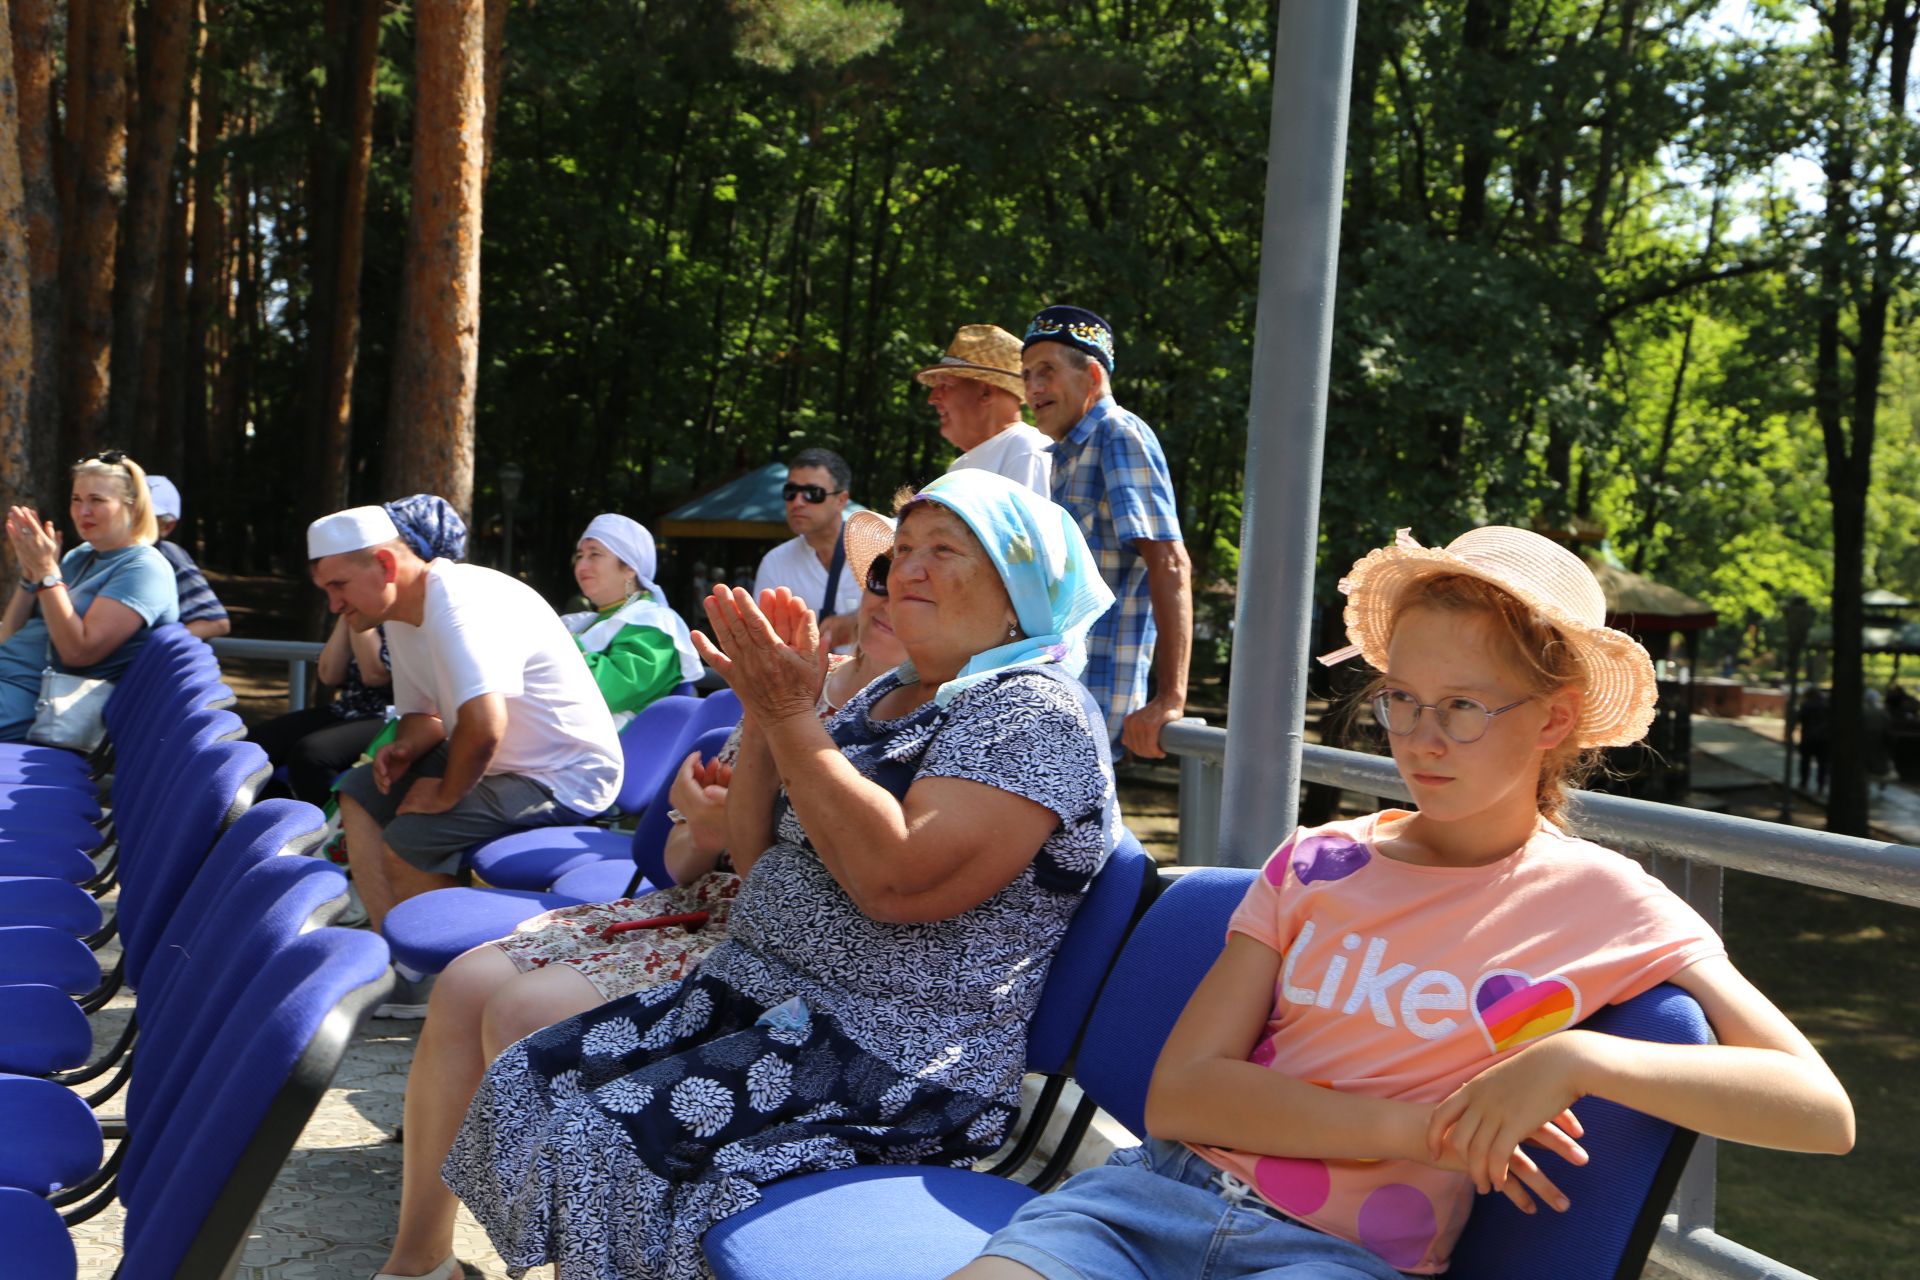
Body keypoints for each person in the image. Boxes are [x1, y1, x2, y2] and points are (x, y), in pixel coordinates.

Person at [950, 526, 1854, 1280]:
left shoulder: (1603, 901)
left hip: (1335, 1258)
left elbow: (1818, 1109)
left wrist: (1581, 1059)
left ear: (1552, 720)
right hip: (1146, 1203)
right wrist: (1423, 1132)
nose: (1421, 738)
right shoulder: (1316, 863)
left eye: (1463, 705)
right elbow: (1183, 1096)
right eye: (1403, 701)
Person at [437, 471, 1117, 1280]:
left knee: (608, 1141)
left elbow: (897, 882)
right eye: (901, 552)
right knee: (528, 1080)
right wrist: (764, 709)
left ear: (1021, 595)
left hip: (894, 1054)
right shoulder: (893, 693)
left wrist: (794, 716)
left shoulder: (1031, 711)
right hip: (761, 997)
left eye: (944, 551)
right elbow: (759, 858)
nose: (907, 571)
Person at [368, 511, 907, 1280]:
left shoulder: (921, 716)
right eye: (882, 573)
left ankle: (566, 1262)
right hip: (696, 906)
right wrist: (706, 822)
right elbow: (683, 860)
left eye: (917, 573)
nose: (891, 592)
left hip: (763, 939)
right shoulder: (811, 670)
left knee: (522, 1012)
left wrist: (738, 823)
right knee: (464, 982)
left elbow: (818, 888)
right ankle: (419, 1262)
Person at [312, 503, 623, 952]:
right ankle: (394, 956)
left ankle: (435, 971)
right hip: (506, 760)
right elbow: (425, 715)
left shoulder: (459, 602)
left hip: (565, 774)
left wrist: (444, 794)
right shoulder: (403, 609)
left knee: (409, 838)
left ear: (384, 565)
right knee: (360, 790)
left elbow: (484, 725)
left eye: (338, 585)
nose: (334, 604)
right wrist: (404, 749)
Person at [1021, 304, 1193, 761]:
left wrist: (1170, 698)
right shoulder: (1064, 454)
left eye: (1047, 372)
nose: (1033, 388)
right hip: (1060, 700)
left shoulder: (1118, 434)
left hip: (1093, 707)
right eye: (1026, 375)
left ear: (1092, 378)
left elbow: (1171, 562)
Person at [248, 498, 469, 808]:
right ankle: (279, 828)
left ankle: (328, 842)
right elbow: (329, 673)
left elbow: (375, 674)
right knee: (254, 746)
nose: (334, 603)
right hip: (358, 708)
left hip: (387, 711)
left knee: (312, 756)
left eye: (339, 585)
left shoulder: (424, 603)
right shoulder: (372, 602)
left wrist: (360, 608)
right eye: (328, 589)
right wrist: (350, 604)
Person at [1, 451, 181, 742]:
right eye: (76, 499)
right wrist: (30, 576)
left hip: (33, 702)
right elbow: (9, 637)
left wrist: (48, 573)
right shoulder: (81, 556)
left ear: (133, 508)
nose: (82, 511)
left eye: (96, 500)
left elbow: (78, 652)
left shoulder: (145, 568)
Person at [562, 514, 703, 729]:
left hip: (607, 755)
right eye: (580, 555)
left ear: (630, 567)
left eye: (594, 554)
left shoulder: (655, 624)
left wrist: (557, 646)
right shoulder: (585, 622)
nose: (581, 565)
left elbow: (607, 690)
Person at [916, 324, 1052, 496]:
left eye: (945, 385)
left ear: (985, 392)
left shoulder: (1026, 452)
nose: (932, 398)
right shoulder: (958, 467)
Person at [752, 447, 863, 651]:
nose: (798, 502)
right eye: (791, 492)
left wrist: (860, 621)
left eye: (813, 493)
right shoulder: (775, 562)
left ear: (841, 500)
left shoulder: (879, 550)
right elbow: (764, 643)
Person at [142, 475, 230, 640]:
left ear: (167, 526)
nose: (133, 520)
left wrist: (152, 648)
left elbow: (216, 622)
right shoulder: (94, 551)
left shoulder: (168, 556)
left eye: (145, 516)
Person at [1797, 685, 1830, 793]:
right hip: (1823, 739)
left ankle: (1803, 782)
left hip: (1808, 738)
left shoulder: (1806, 705)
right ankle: (1820, 786)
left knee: (1805, 761)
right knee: (1822, 764)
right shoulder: (1827, 706)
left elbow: (1799, 718)